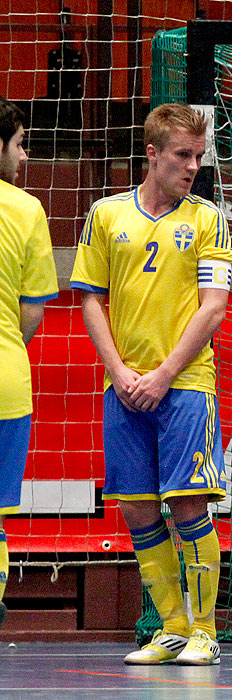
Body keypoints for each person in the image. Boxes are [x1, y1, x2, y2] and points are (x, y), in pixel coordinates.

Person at [70, 103, 232, 665]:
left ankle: (206, 633)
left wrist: (163, 375)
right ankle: (170, 627)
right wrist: (119, 371)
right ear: (153, 154)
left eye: (198, 157)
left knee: (188, 503)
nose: (192, 167)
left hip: (185, 383)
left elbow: (214, 307)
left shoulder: (208, 217)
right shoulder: (105, 214)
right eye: (182, 156)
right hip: (124, 387)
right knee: (138, 509)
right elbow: (91, 296)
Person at [0, 98, 59, 629]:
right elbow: (31, 312)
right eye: (19, 143)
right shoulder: (26, 210)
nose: (24, 155)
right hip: (7, 386)